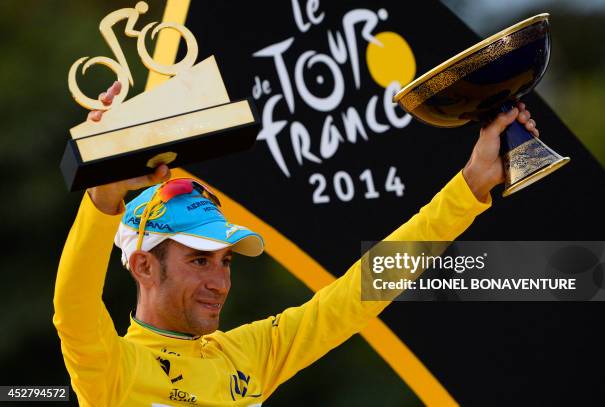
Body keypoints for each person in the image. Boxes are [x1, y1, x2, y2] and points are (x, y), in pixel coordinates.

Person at [54, 81, 540, 406]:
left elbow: (359, 292)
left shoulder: (248, 353)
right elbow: (72, 307)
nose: (219, 282)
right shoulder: (113, 368)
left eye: (225, 261)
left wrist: (469, 187)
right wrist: (102, 197)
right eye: (199, 260)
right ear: (142, 266)